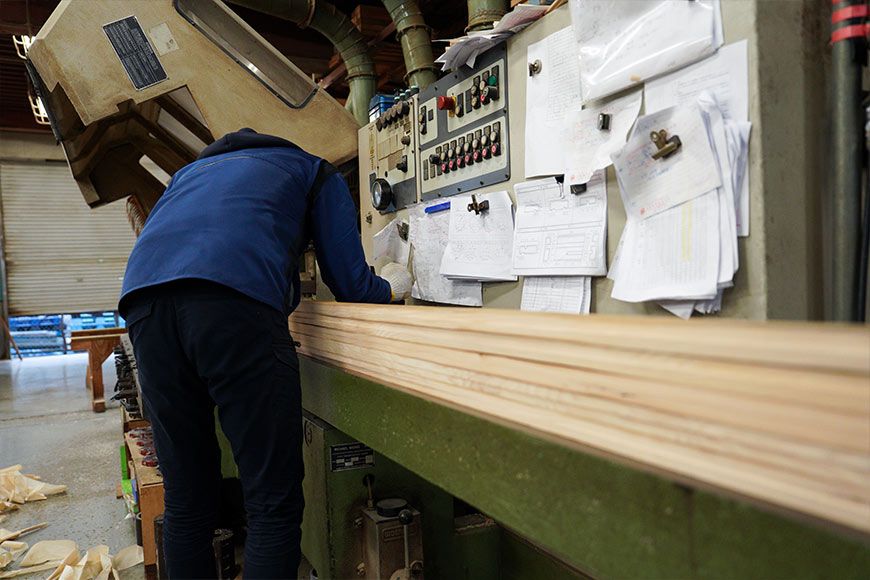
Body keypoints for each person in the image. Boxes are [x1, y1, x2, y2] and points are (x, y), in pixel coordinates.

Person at [118, 128, 411, 579]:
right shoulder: (314, 171)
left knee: (186, 500)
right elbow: (351, 284)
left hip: (143, 308)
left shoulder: (188, 176)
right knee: (271, 505)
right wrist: (393, 289)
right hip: (233, 307)